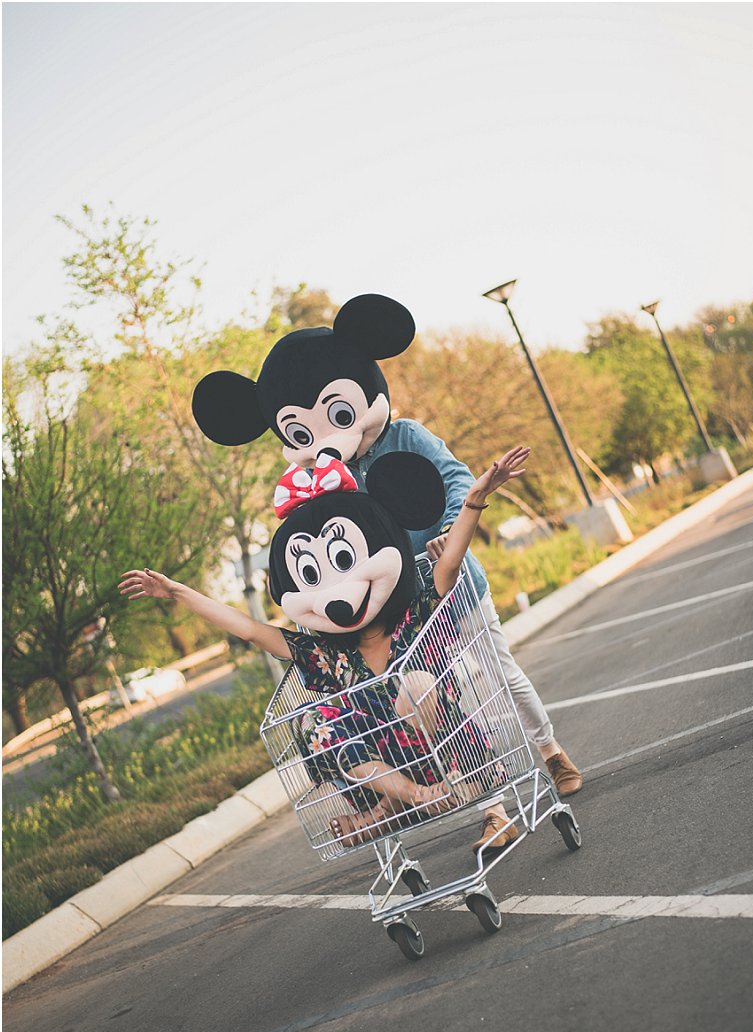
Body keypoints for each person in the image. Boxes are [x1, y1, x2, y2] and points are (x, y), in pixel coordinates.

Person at [191, 293, 582, 855]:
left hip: (447, 586)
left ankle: (549, 750)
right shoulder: (320, 482)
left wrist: (449, 528)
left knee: (498, 675)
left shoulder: (406, 437)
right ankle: (493, 809)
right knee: (447, 703)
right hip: (394, 615)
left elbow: (455, 478)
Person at [120, 446, 530, 853]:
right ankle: (408, 798)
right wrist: (178, 592)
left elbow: (449, 564)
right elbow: (250, 629)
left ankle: (405, 810)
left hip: (454, 756)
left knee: (416, 686)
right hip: (392, 772)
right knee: (313, 722)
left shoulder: (416, 620)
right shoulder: (328, 656)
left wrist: (475, 499)